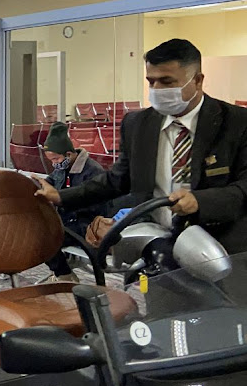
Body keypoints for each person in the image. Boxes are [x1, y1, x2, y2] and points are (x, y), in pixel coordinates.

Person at [35, 39, 247, 254]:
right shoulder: (138, 125)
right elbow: (118, 179)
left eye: (167, 82)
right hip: (158, 245)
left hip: (225, 247)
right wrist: (62, 197)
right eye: (151, 81)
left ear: (198, 81)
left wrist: (201, 201)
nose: (157, 89)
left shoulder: (237, 123)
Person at [38, 122, 107, 281]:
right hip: (68, 219)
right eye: (51, 160)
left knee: (45, 238)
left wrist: (61, 200)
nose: (54, 163)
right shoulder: (62, 168)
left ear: (68, 154)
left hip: (87, 223)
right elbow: (50, 181)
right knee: (35, 230)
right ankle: (62, 272)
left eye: (56, 158)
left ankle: (64, 275)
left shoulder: (92, 171)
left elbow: (95, 206)